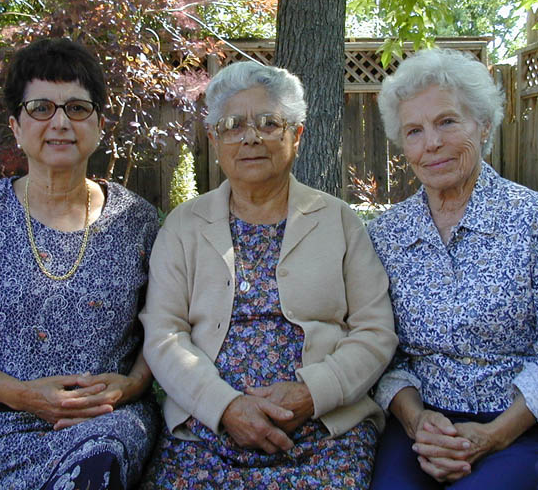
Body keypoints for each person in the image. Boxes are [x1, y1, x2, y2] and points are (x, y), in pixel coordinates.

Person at [139, 60, 398, 488]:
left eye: (269, 122)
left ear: (295, 136)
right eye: (233, 125)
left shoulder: (338, 220)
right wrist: (225, 406)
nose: (251, 137)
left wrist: (313, 392)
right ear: (214, 140)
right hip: (208, 430)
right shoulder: (184, 226)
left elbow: (375, 331)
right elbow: (164, 333)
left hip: (324, 430)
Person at [0, 38, 160, 489]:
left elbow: (162, 328)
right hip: (6, 424)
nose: (59, 123)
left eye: (76, 108)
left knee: (95, 470)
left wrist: (129, 386)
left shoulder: (137, 219)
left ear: (99, 124)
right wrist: (25, 397)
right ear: (15, 126)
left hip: (110, 420)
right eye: (40, 108)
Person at [367, 48, 538, 489]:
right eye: (414, 131)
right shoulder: (386, 234)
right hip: (423, 425)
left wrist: (491, 436)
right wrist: (416, 421)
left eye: (447, 122)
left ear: (483, 125)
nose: (431, 143)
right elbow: (381, 350)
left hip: (523, 426)